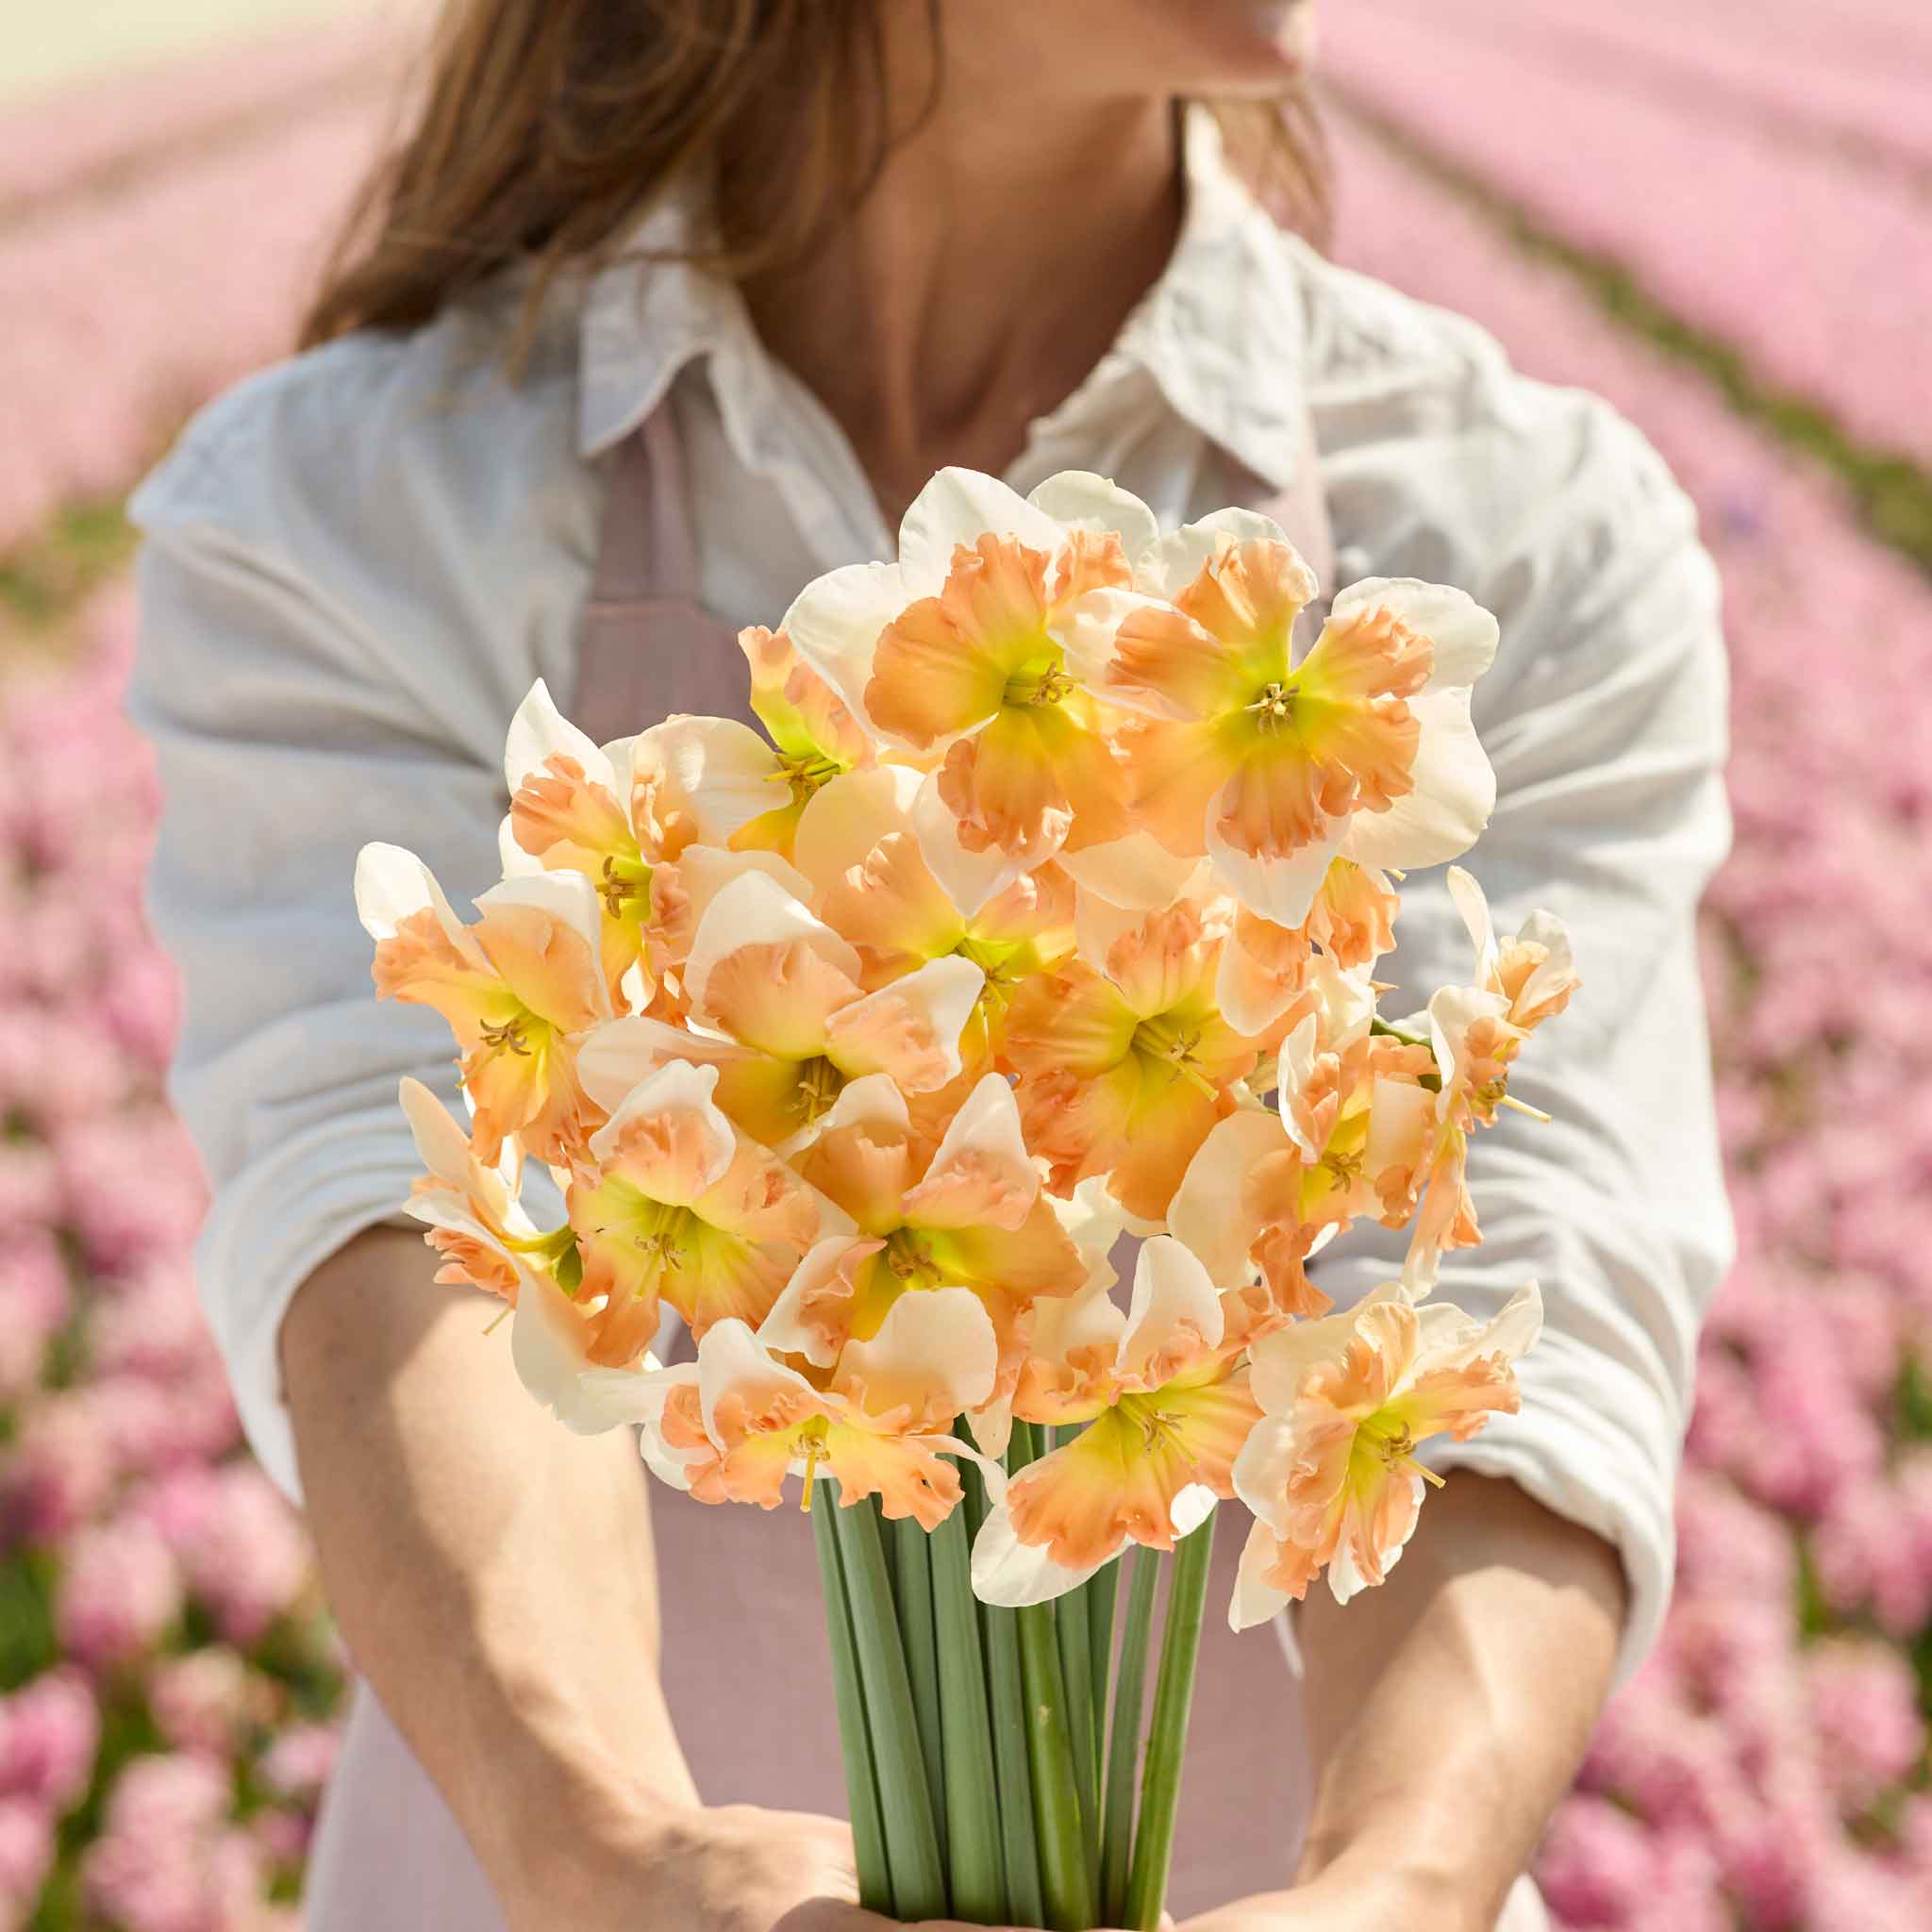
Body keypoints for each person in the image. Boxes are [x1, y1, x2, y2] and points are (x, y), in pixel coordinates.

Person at [127, 3, 1733, 1928]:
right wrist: (610, 1846)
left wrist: (1401, 1881)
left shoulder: (1522, 530)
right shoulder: (356, 504)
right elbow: (393, 1222)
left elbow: (1529, 1275)